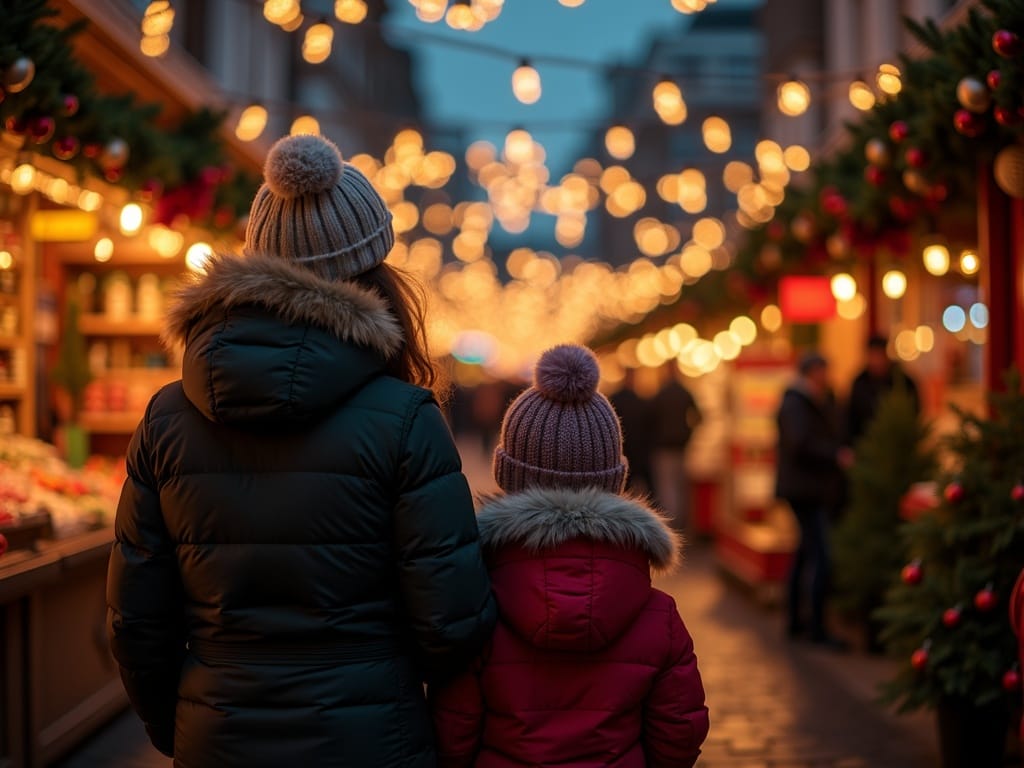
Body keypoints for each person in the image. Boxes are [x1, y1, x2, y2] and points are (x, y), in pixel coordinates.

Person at [106, 134, 497, 767]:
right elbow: (451, 621)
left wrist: (182, 725)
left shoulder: (166, 418)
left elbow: (136, 621)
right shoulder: (406, 418)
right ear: (376, 276)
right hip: (371, 736)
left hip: (219, 733)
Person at [432, 344, 709, 768]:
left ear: (510, 474)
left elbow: (453, 729)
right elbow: (679, 732)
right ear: (613, 478)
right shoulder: (660, 616)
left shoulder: (475, 604)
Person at [775, 352, 852, 648]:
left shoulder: (811, 401)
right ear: (811, 373)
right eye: (822, 371)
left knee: (806, 550)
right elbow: (800, 444)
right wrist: (834, 455)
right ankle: (816, 626)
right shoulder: (797, 403)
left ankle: (796, 619)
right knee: (820, 554)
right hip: (806, 490)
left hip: (807, 488)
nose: (826, 377)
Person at [650, 365, 702, 529]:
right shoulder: (684, 392)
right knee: (680, 486)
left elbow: (651, 420)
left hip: (663, 447)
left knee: (667, 487)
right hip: (681, 447)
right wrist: (688, 434)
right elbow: (699, 416)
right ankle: (682, 521)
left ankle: (671, 522)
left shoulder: (661, 394)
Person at [846, 333, 920, 447]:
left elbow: (914, 411)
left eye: (879, 355)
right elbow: (851, 417)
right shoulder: (860, 383)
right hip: (867, 444)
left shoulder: (902, 381)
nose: (876, 360)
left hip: (898, 445)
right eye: (873, 355)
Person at [609, 368, 655, 495]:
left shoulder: (615, 399)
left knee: (624, 486)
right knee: (645, 484)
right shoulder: (641, 401)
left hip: (625, 448)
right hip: (638, 449)